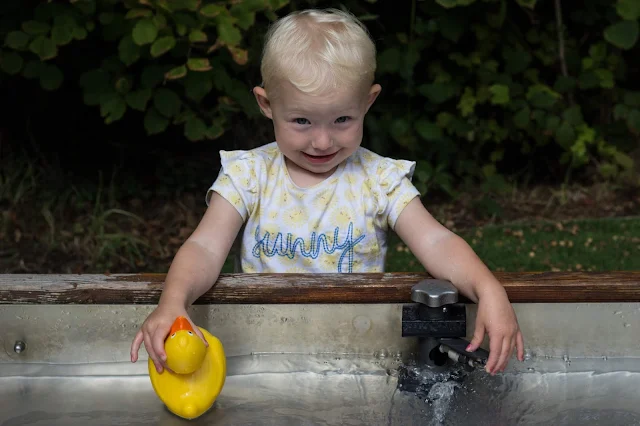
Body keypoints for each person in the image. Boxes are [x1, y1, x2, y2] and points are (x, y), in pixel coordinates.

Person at [130, 8, 524, 376]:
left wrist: (487, 287)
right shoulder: (249, 175)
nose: (322, 141)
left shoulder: (377, 180)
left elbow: (436, 241)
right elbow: (204, 248)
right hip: (265, 356)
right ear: (267, 104)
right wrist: (174, 302)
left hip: (358, 360)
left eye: (342, 119)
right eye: (301, 120)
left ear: (368, 102)